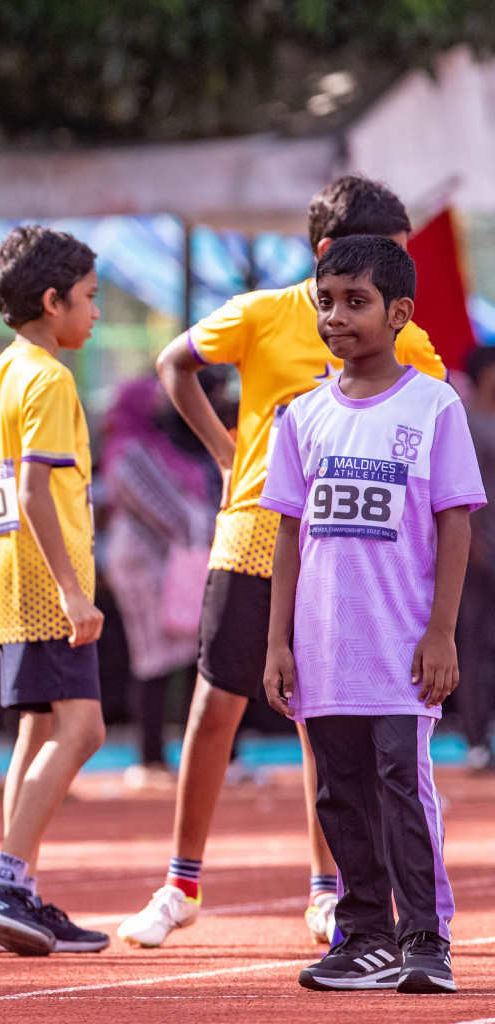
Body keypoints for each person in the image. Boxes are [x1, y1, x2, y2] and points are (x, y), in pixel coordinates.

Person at [118, 176, 446, 950]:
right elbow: (175, 362)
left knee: (321, 717)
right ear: (332, 253)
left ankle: (327, 891)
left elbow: (428, 420)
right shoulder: (266, 313)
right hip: (256, 534)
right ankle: (180, 884)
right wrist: (229, 454)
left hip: (342, 547)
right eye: (388, 256)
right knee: (215, 704)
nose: (402, 275)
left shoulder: (404, 333)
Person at [261, 235, 483, 993]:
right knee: (338, 791)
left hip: (400, 650)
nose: (336, 316)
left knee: (401, 785)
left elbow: (456, 520)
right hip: (323, 650)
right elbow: (289, 534)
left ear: (400, 313)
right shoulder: (302, 415)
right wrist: (278, 643)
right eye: (325, 301)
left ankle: (425, 937)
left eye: (355, 302)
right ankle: (364, 935)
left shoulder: (433, 404)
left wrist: (441, 630)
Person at [0, 225, 108, 956]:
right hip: (49, 588)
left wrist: (6, 550)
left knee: (36, 731)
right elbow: (38, 488)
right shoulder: (49, 378)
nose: (96, 313)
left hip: (11, 583)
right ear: (52, 300)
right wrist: (69, 588)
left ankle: (17, 900)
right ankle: (5, 880)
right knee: (85, 730)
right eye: (90, 298)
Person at [99, 375, 223, 782]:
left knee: (183, 655)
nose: (161, 406)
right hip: (143, 565)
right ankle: (150, 758)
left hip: (170, 562)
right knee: (152, 658)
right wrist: (221, 526)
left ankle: (179, 756)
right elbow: (166, 509)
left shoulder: (154, 446)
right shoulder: (127, 453)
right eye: (152, 400)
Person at [454, 345, 495, 769]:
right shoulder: (464, 418)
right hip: (477, 547)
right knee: (474, 642)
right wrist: (470, 543)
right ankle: (476, 738)